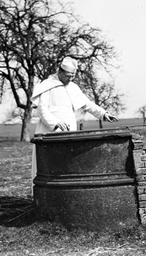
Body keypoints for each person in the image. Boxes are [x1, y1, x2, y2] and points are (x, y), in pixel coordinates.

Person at [30, 57, 118, 193]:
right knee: (48, 164)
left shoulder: (73, 87)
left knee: (66, 164)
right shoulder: (47, 85)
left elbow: (87, 104)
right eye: (68, 76)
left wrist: (103, 114)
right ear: (60, 72)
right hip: (50, 130)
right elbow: (42, 110)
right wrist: (55, 123)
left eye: (73, 76)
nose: (70, 79)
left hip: (69, 130)